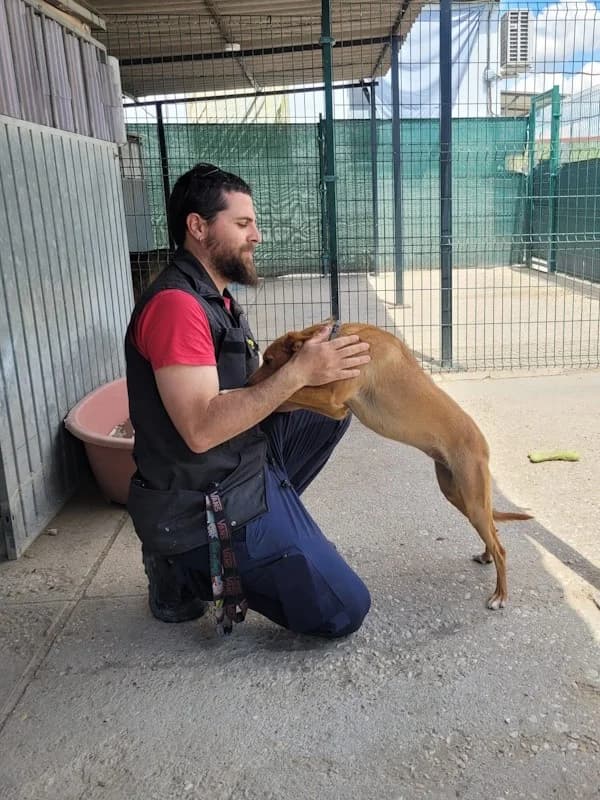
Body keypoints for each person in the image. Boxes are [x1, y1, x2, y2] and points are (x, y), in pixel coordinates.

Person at [125, 162, 372, 637]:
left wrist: (310, 372)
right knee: (344, 609)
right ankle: (182, 565)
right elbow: (201, 429)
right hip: (198, 501)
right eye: (242, 223)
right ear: (198, 227)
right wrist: (299, 372)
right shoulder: (177, 307)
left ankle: (270, 522)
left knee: (329, 411)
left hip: (238, 462)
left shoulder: (216, 298)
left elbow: (245, 391)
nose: (256, 236)